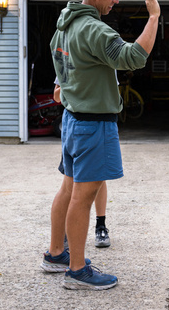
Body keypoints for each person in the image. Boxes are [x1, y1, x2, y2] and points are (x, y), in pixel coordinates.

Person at [42, 0, 160, 290]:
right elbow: (133, 57)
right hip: (93, 126)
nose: (116, 0)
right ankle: (77, 271)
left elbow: (63, 79)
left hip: (71, 121)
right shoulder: (94, 30)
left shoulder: (63, 28)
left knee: (68, 190)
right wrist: (153, 18)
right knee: (83, 197)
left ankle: (56, 254)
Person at [49, 80, 110, 249]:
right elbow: (56, 97)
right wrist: (77, 82)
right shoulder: (66, 59)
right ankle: (66, 236)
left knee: (99, 178)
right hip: (74, 124)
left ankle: (101, 226)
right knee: (70, 183)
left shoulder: (102, 58)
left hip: (96, 121)